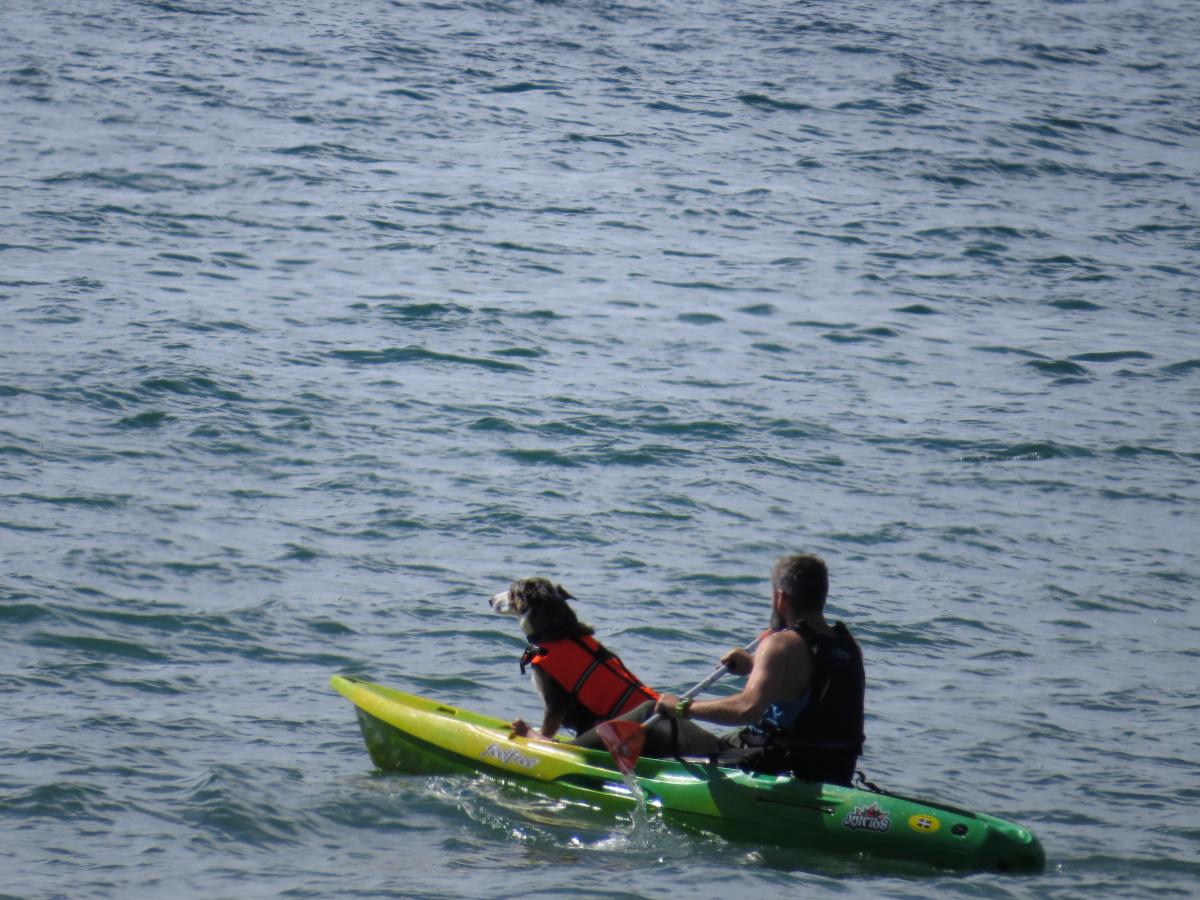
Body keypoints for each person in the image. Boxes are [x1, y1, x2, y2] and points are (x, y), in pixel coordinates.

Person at [573, 554, 865, 785]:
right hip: (832, 767)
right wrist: (754, 666)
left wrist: (683, 707)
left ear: (780, 599)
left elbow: (747, 709)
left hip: (770, 764)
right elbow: (809, 686)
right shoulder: (847, 645)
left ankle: (565, 759)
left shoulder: (780, 646)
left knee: (653, 711)